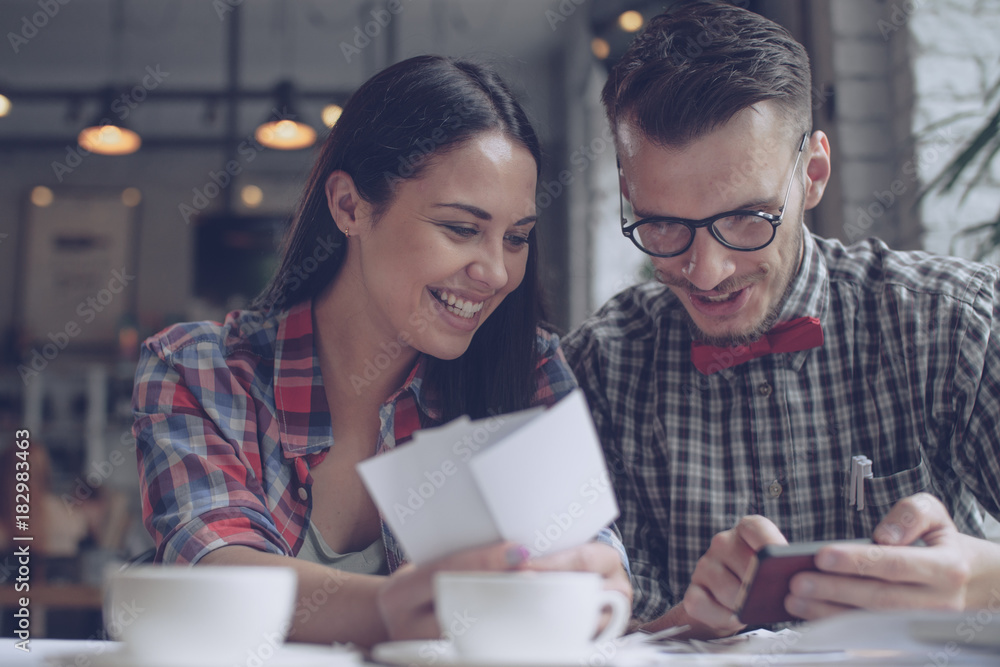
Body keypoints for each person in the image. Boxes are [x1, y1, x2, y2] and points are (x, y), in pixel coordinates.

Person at [132, 55, 631, 648]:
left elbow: (589, 562)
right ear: (349, 207)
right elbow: (216, 577)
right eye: (461, 229)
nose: (496, 272)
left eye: (516, 238)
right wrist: (400, 606)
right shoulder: (200, 369)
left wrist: (599, 584)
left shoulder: (529, 369)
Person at [563, 0, 1000, 640]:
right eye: (663, 225)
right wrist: (686, 625)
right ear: (630, 198)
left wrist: (982, 581)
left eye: (747, 219)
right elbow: (576, 639)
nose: (707, 271)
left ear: (813, 175)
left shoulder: (954, 325)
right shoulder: (598, 372)